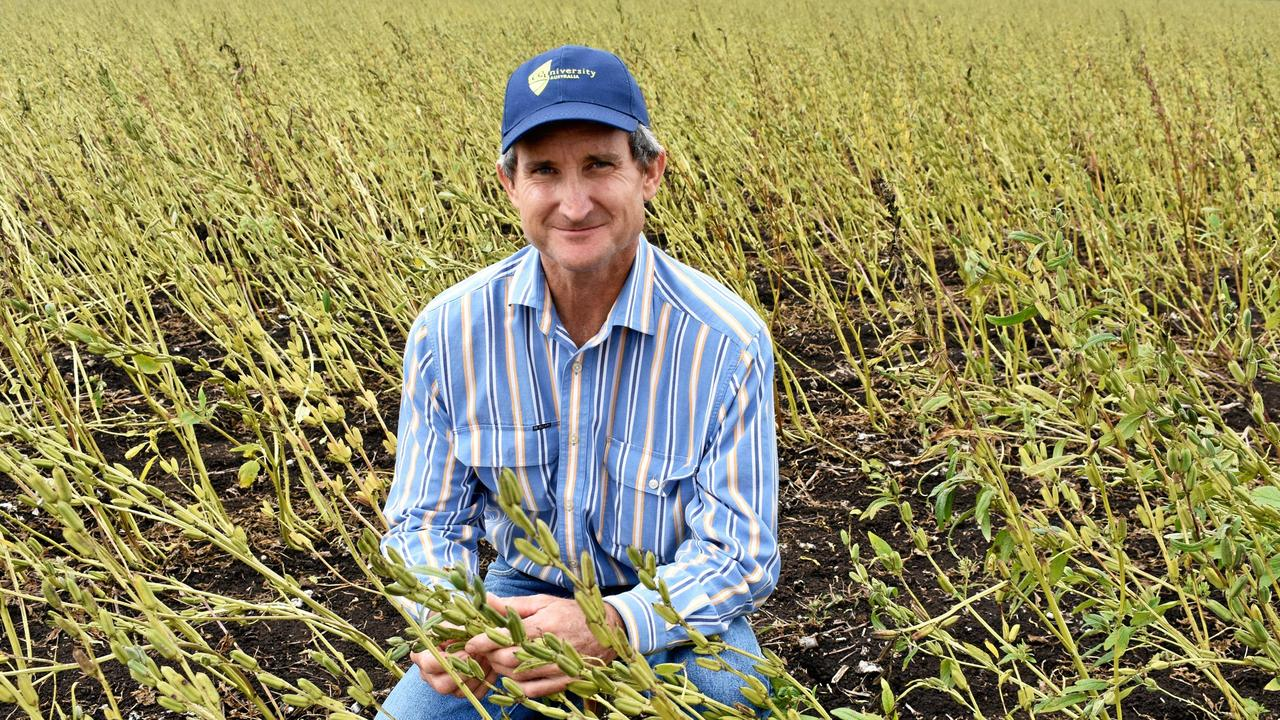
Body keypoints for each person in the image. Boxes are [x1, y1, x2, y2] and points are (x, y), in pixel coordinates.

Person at [378, 44, 779, 720]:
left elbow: (739, 554)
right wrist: (455, 618)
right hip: (516, 599)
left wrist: (611, 625)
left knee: (735, 700)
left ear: (650, 172)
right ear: (510, 186)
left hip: (661, 610)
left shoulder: (724, 340)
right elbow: (423, 521)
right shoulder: (449, 332)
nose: (573, 203)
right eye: (544, 171)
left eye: (599, 165)